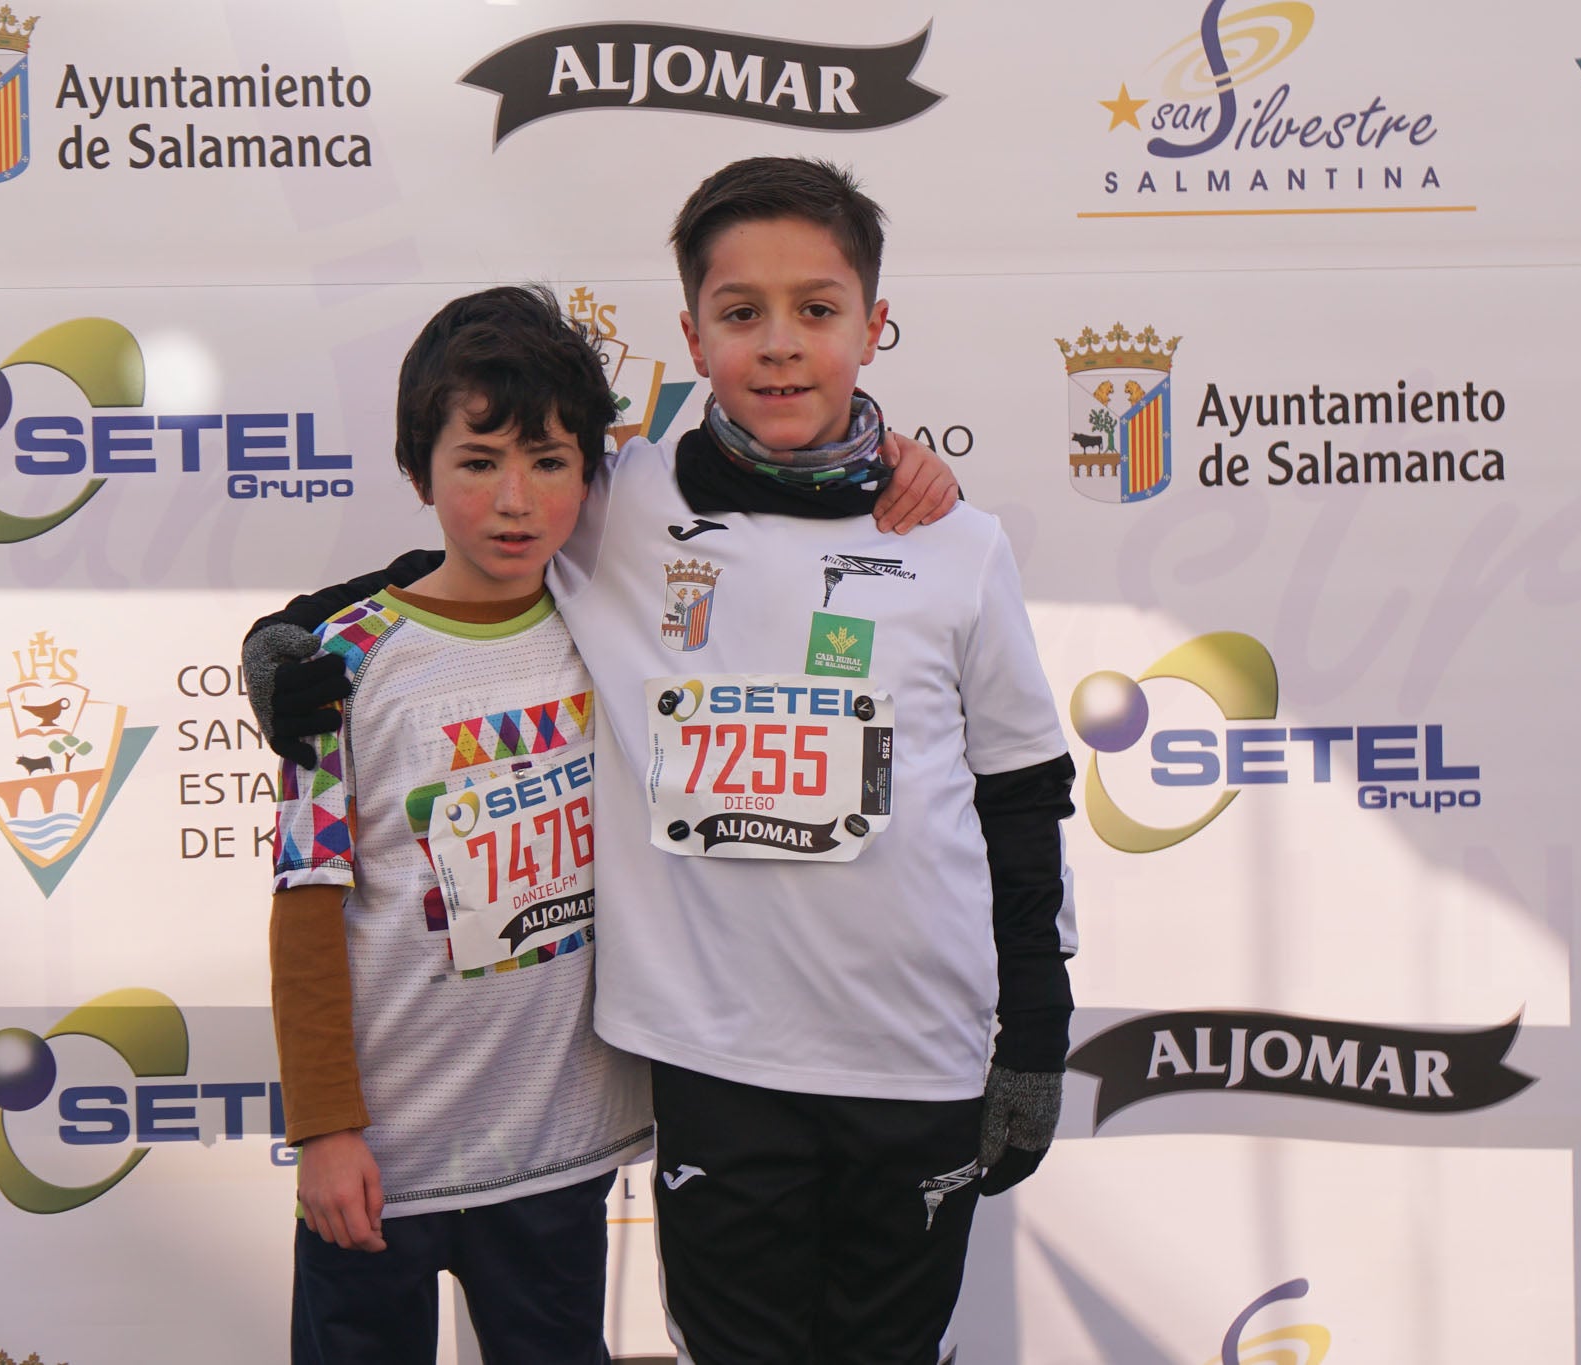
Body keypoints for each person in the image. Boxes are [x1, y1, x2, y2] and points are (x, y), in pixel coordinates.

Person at [249, 158, 1076, 1365]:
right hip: (711, 1064)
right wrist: (283, 640)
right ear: (691, 334)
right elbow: (463, 537)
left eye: (816, 309)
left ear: (874, 324)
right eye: (742, 314)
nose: (781, 346)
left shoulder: (952, 538)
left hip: (919, 1058)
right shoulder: (617, 500)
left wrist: (1037, 1031)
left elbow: (1018, 794)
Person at [269, 285, 652, 1365]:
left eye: (549, 460)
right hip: (381, 1161)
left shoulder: (614, 629)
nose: (515, 499)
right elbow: (306, 907)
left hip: (557, 1155)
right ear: (418, 472)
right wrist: (326, 1130)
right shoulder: (338, 664)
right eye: (478, 462)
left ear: (591, 471)